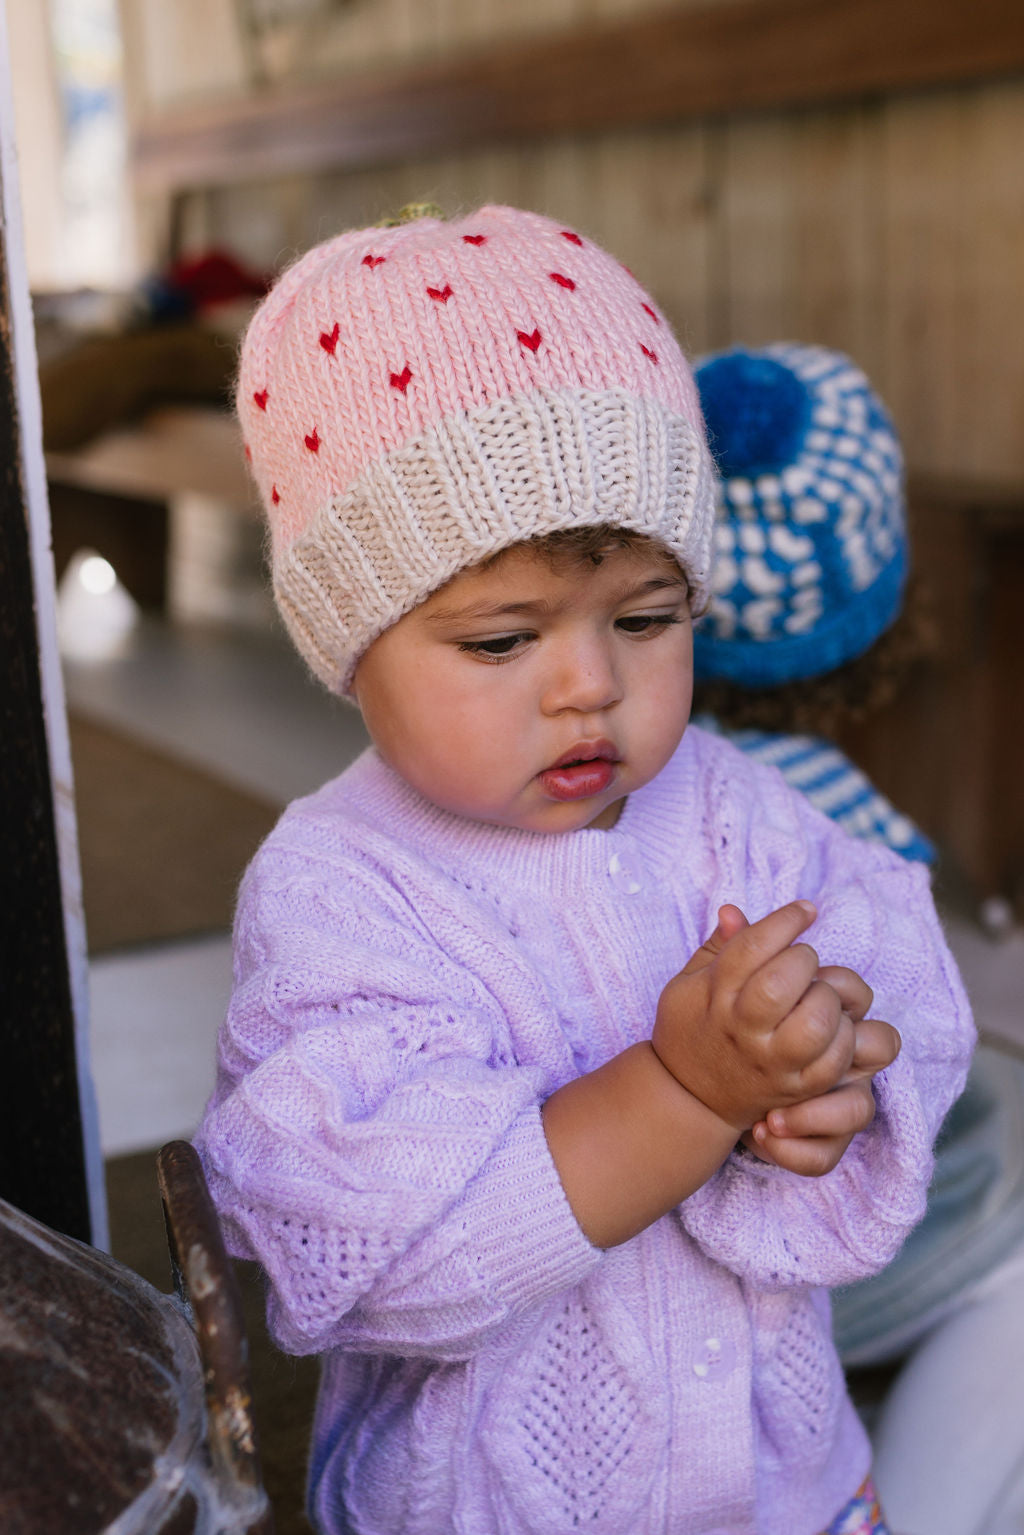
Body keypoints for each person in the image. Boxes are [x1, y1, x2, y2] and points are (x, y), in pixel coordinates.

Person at [193, 206, 973, 1535]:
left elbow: (898, 949)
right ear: (351, 643)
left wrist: (836, 1067)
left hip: (789, 1484)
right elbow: (377, 1245)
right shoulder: (339, 889)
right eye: (500, 640)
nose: (591, 685)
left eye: (647, 616)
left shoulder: (733, 802)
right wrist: (685, 1090)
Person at [692, 341, 1024, 1535]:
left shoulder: (611, 809)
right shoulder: (859, 848)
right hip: (797, 1270)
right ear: (878, 596)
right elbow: (891, 1100)